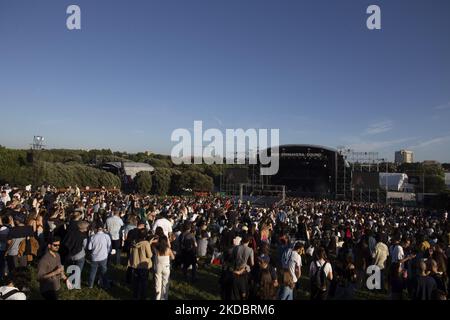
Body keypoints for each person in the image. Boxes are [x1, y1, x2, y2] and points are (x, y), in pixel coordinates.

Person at [128, 228, 154, 300]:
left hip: (135, 265)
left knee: (136, 282)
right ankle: (143, 296)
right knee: (144, 283)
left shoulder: (133, 242)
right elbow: (149, 255)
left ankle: (135, 296)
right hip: (144, 266)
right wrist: (149, 244)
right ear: (145, 235)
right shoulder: (146, 243)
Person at [87, 223, 111, 289]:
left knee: (93, 271)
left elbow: (89, 248)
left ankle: (90, 285)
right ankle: (106, 285)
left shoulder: (93, 237)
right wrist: (107, 253)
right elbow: (109, 247)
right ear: (103, 229)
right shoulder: (107, 236)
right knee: (104, 272)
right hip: (103, 257)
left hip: (94, 257)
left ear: (96, 229)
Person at [154, 235, 175, 300]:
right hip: (166, 267)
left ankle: (157, 298)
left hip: (158, 267)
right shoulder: (168, 249)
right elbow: (173, 257)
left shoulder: (156, 248)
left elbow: (150, 244)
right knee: (165, 283)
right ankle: (164, 298)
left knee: (158, 283)